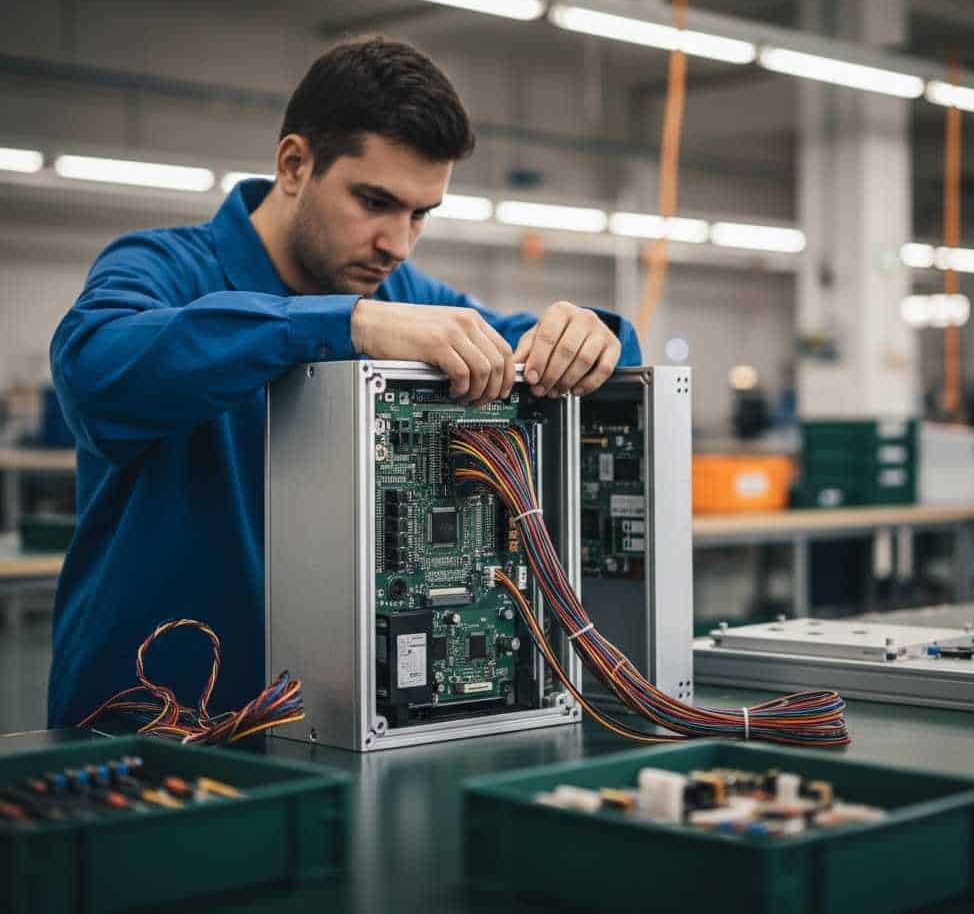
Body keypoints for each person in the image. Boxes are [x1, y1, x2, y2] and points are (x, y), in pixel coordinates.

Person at [47, 35, 641, 728]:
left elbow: (533, 346)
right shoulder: (164, 268)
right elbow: (93, 369)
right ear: (294, 164)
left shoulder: (405, 295)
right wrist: (343, 323)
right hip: (150, 722)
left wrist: (592, 336)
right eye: (374, 201)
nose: (398, 243)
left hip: (330, 724)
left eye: (420, 214)